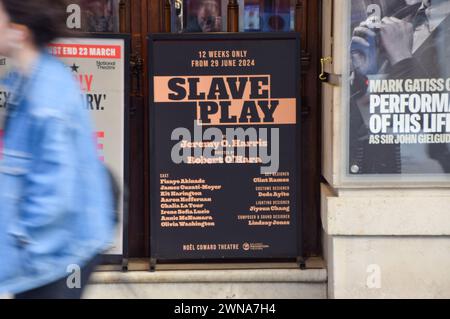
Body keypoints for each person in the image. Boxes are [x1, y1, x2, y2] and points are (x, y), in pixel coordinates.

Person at [0, 0, 115, 298]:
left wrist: (21, 249)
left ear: (18, 31)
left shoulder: (46, 95)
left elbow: (54, 195)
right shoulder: (21, 81)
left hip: (50, 259)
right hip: (38, 257)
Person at [349, 0, 450, 174]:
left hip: (424, 178)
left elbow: (436, 122)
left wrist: (402, 60)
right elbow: (374, 119)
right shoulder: (401, 17)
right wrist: (363, 76)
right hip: (378, 176)